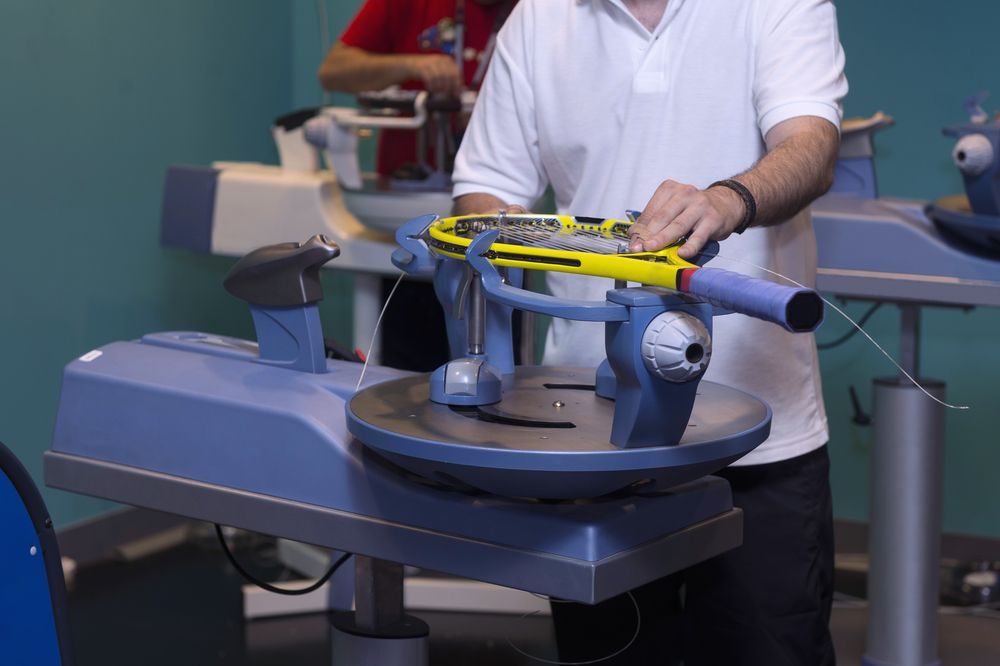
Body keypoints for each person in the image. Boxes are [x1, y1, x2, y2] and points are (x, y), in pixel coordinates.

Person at [452, 0, 847, 664]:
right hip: (592, 432)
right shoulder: (538, 19)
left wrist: (726, 201)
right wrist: (504, 224)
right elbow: (484, 188)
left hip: (761, 434)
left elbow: (811, 146)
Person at [318, 0, 516, 372]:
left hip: (498, 231)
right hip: (413, 223)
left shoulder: (537, 12)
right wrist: (410, 64)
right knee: (407, 378)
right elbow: (333, 71)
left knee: (499, 375)